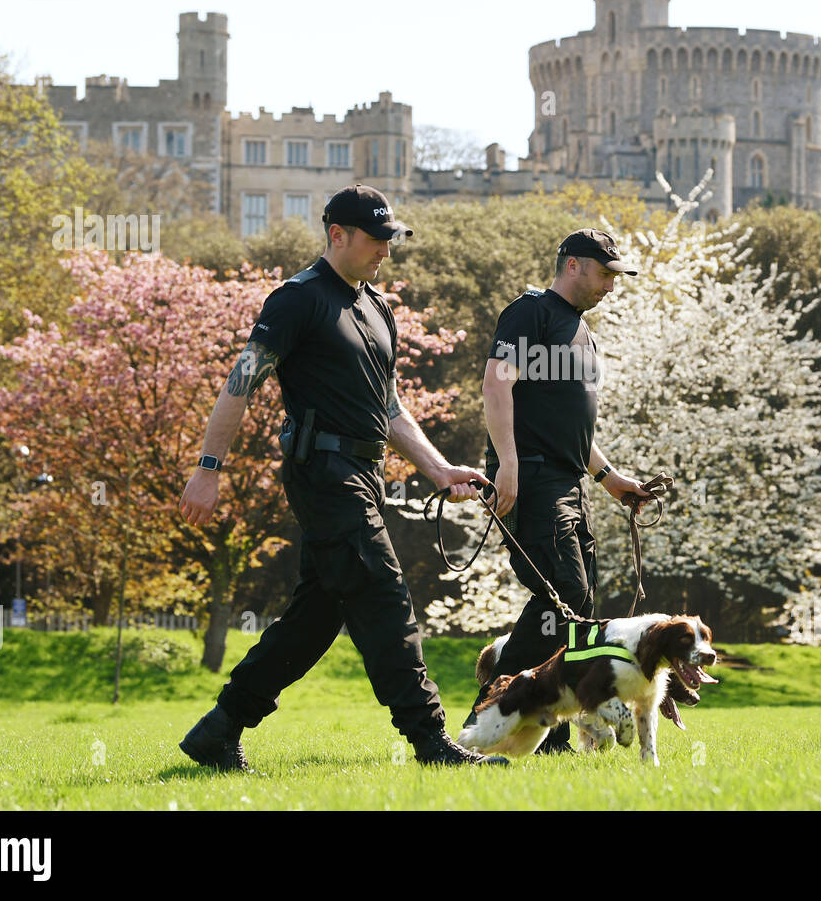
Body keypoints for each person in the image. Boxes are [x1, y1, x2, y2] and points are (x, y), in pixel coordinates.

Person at [178, 183, 505, 768]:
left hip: (366, 471)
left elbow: (389, 406)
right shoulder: (295, 299)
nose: (386, 250)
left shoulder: (377, 310)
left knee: (317, 615)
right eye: (376, 239)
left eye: (390, 240)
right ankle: (431, 742)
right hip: (322, 471)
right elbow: (241, 382)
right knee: (384, 593)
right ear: (337, 235)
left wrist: (436, 467)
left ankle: (219, 728)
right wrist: (208, 467)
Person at [465, 228, 657, 753]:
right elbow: (496, 383)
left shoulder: (582, 333)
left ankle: (545, 730)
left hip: (571, 481)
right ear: (573, 265)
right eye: (604, 274)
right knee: (562, 598)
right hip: (531, 476)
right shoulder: (530, 314)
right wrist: (507, 463)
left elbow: (570, 427)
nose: (611, 287)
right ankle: (491, 712)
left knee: (577, 603)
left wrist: (610, 479)